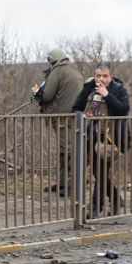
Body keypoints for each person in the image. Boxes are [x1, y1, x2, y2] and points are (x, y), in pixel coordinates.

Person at [73, 63, 129, 219]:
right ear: (94, 75)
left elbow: (123, 110)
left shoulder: (118, 90)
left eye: (105, 76)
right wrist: (81, 115)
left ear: (110, 77)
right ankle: (117, 199)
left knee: (101, 171)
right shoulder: (88, 87)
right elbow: (76, 107)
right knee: (97, 172)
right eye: (98, 76)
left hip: (111, 139)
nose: (101, 79)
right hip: (92, 136)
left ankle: (96, 207)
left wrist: (107, 95)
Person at [36, 49, 84, 197]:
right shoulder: (74, 69)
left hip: (63, 118)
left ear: (52, 61)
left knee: (67, 153)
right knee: (67, 151)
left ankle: (70, 185)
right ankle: (63, 183)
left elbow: (48, 94)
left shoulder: (57, 70)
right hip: (76, 117)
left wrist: (38, 94)